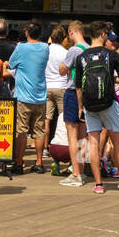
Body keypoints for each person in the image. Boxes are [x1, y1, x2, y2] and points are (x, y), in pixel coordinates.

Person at [72, 20, 119, 194]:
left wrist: (80, 108)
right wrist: (111, 79)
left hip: (89, 105)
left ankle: (99, 184)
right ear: (102, 34)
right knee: (118, 142)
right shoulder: (112, 55)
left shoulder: (82, 58)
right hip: (109, 102)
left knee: (93, 143)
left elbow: (79, 87)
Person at [9, 21, 50, 174]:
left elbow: (11, 64)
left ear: (26, 32)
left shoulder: (21, 47)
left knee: (21, 131)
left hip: (24, 97)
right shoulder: (46, 48)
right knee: (39, 131)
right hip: (40, 96)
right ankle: (39, 163)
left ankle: (19, 163)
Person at [57, 20, 90, 187]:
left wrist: (63, 66)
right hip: (86, 95)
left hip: (72, 93)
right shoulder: (89, 48)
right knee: (84, 137)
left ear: (71, 32)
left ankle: (75, 174)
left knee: (72, 136)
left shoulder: (73, 50)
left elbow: (62, 70)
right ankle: (82, 171)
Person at [44, 25, 70, 167]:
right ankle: (64, 145)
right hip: (61, 87)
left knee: (47, 120)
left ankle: (45, 148)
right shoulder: (65, 52)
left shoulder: (45, 50)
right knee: (63, 120)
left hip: (47, 87)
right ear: (63, 38)